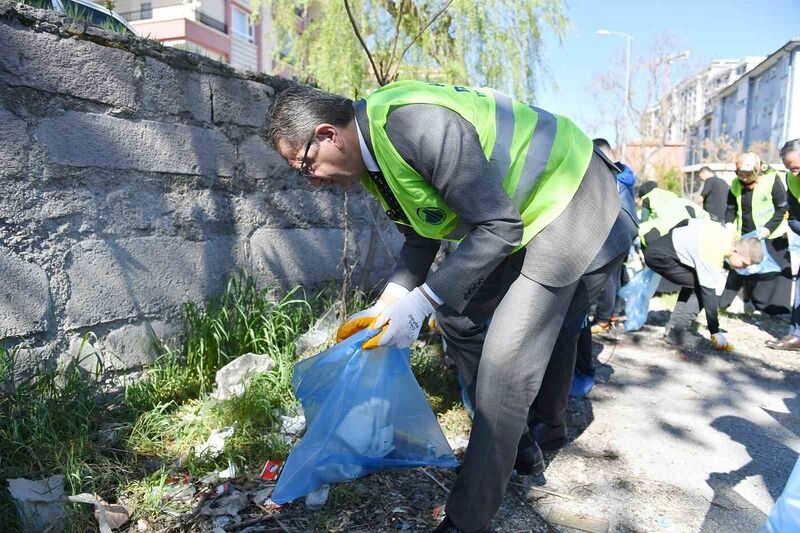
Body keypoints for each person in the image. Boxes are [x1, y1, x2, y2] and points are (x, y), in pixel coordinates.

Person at [266, 81, 638, 533]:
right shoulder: (375, 160)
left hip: (570, 201)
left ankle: (467, 519)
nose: (311, 178)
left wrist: (422, 300)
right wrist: (393, 301)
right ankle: (515, 443)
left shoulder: (413, 124)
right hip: (523, 217)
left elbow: (498, 226)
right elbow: (420, 233)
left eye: (305, 165)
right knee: (458, 317)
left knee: (507, 361)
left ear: (328, 135)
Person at [644, 217, 763, 348]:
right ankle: (677, 334)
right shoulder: (714, 251)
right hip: (660, 256)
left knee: (695, 282)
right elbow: (709, 295)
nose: (744, 268)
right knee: (701, 288)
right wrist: (715, 331)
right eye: (744, 263)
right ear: (735, 251)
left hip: (660, 248)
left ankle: (673, 329)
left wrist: (671, 239)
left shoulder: (725, 233)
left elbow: (686, 221)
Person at [721, 152, 791, 314]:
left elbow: (782, 207)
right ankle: (728, 303)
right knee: (739, 268)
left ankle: (772, 310)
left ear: (757, 171)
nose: (744, 178)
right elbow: (731, 208)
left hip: (771, 234)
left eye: (748, 174)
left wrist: (767, 229)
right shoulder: (735, 184)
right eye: (741, 174)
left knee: (770, 274)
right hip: (744, 234)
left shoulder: (771, 179)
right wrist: (730, 225)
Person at [589, 138, 639, 335]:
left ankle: (602, 320)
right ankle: (613, 313)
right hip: (627, 229)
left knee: (607, 279)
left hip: (612, 230)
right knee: (615, 276)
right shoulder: (625, 174)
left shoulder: (610, 176)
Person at [767, 139, 800, 350]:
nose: (794, 173)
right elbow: (793, 219)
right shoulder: (791, 179)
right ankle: (797, 335)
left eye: (797, 167)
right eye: (790, 169)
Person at [638, 180, 708, 248]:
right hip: (686, 224)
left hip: (666, 230)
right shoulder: (670, 193)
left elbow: (644, 220)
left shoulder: (647, 198)